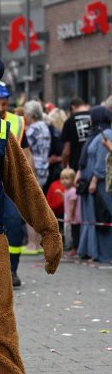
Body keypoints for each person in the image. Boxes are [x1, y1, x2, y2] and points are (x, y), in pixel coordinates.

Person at [0, 83, 32, 287]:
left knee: (14, 225)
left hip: (10, 185)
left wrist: (30, 182)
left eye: (4, 104)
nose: (0, 108)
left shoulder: (17, 122)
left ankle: (12, 269)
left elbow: (26, 154)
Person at [77, 106, 112, 263]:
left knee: (101, 216)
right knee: (92, 218)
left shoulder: (107, 134)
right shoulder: (96, 134)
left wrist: (95, 179)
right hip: (90, 183)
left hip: (99, 185)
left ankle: (102, 253)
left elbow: (103, 159)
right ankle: (92, 251)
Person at [22, 101, 51, 254]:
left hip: (33, 170)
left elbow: (24, 148)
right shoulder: (45, 127)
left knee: (29, 206)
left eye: (26, 114)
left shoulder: (32, 129)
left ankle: (32, 244)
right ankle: (39, 242)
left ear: (31, 115)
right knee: (39, 206)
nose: (25, 117)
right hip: (44, 168)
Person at [61, 97, 91, 171]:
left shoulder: (69, 121)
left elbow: (67, 151)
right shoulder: (94, 117)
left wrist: (64, 166)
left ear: (72, 107)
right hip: (93, 164)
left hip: (76, 165)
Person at [61, 167, 80, 256]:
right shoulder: (67, 190)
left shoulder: (73, 191)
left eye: (67, 178)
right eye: (62, 178)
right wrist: (61, 194)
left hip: (75, 217)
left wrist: (71, 217)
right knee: (72, 232)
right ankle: (73, 247)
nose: (64, 181)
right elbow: (67, 201)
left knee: (74, 233)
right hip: (70, 216)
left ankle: (74, 248)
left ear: (73, 180)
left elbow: (72, 205)